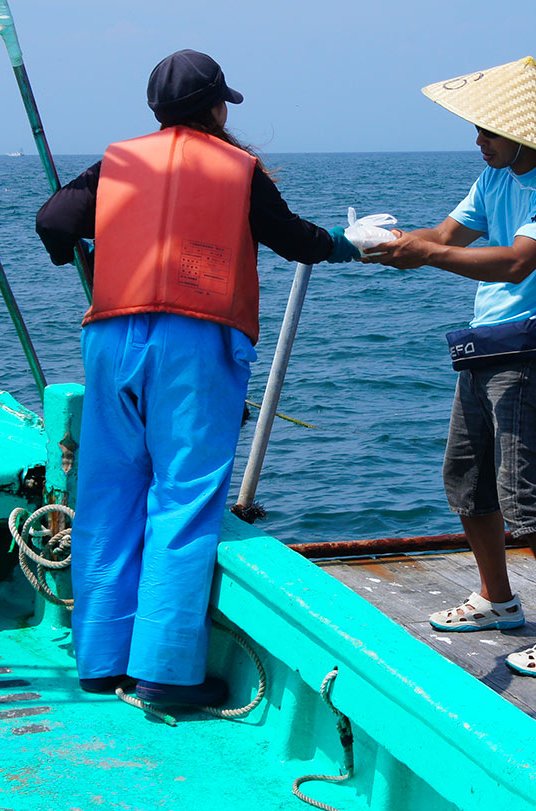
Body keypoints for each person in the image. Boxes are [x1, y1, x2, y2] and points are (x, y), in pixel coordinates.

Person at [35, 49, 359, 707]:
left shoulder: (117, 163)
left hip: (111, 335)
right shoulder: (239, 170)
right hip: (195, 340)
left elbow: (53, 221)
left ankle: (99, 663)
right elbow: (295, 239)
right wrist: (344, 242)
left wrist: (85, 251)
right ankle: (164, 675)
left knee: (108, 496)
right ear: (217, 107)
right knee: (182, 500)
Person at [365, 56, 536, 677]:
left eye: (486, 132)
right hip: (483, 348)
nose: (477, 142)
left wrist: (427, 253)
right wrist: (379, 246)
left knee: (526, 496)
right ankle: (498, 599)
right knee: (468, 481)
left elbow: (516, 263)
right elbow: (443, 234)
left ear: (520, 132)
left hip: (530, 356)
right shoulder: (492, 180)